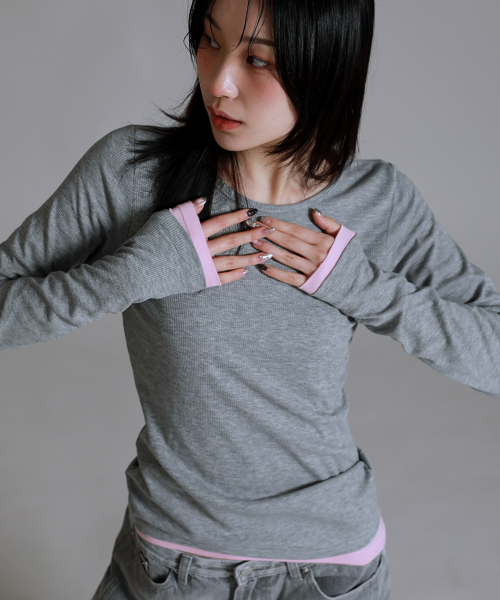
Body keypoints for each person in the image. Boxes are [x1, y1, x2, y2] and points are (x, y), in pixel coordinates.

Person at [1, 0, 499, 598]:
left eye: (258, 60)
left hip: (332, 570)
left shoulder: (380, 200)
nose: (219, 82)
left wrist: (366, 288)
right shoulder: (133, 174)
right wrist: (128, 276)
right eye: (210, 41)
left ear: (327, 66)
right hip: (170, 568)